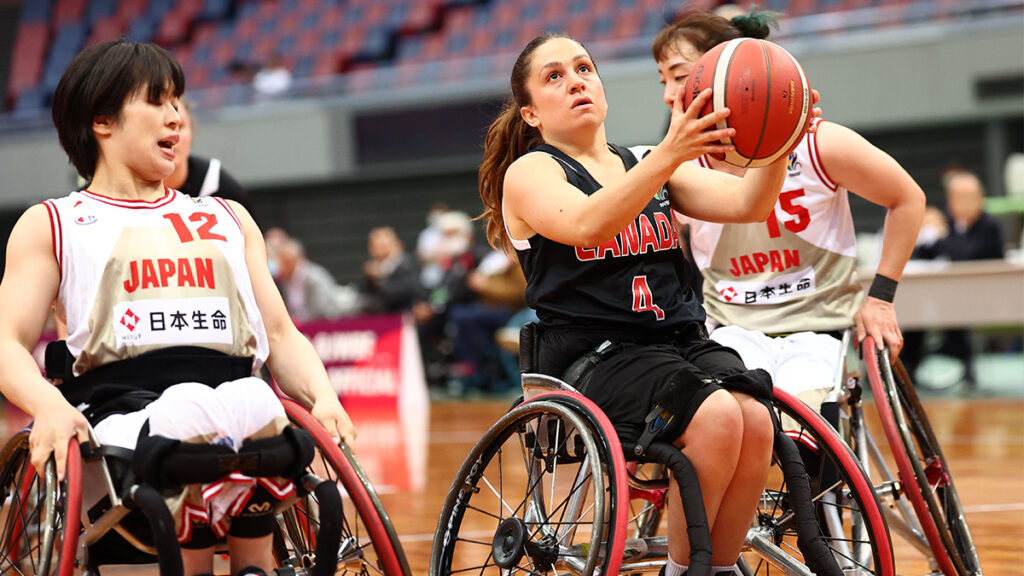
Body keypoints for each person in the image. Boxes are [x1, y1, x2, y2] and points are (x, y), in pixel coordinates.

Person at [0, 41, 354, 576]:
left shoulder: (228, 216)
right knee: (191, 406)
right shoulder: (54, 222)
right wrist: (46, 407)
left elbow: (280, 336)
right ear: (102, 120)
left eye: (179, 102)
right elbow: (5, 340)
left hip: (236, 405)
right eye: (158, 101)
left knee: (256, 400)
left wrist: (323, 396)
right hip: (119, 418)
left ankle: (251, 564)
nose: (177, 117)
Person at [479, 32, 816, 575]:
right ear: (532, 114)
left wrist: (779, 143)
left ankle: (717, 566)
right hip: (596, 358)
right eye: (554, 77)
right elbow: (587, 225)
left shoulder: (640, 159)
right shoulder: (532, 173)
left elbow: (750, 204)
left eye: (584, 68)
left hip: (678, 344)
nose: (576, 82)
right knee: (718, 418)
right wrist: (671, 154)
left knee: (754, 416)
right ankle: (685, 569)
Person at [652, 8, 925, 416]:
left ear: (725, 74)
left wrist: (881, 298)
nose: (669, 95)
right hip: (732, 330)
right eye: (663, 81)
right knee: (720, 428)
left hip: (820, 323)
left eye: (678, 76)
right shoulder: (675, 166)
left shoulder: (819, 144)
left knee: (801, 437)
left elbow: (907, 198)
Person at [904, 168, 1004, 385]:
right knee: (913, 309)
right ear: (951, 200)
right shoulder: (943, 219)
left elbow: (967, 255)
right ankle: (909, 366)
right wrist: (928, 233)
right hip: (938, 297)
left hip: (982, 296)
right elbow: (919, 255)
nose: (967, 203)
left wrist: (940, 238)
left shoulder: (989, 225)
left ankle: (964, 364)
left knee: (955, 306)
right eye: (961, 198)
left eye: (972, 197)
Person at [164, 96, 252, 211]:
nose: (173, 137)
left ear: (192, 131)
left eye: (179, 126)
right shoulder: (133, 189)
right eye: (165, 126)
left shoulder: (223, 189)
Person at [273, 236, 360, 323]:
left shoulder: (314, 277)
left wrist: (299, 322)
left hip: (326, 324)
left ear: (291, 261)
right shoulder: (284, 281)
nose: (280, 266)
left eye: (283, 261)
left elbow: (319, 310)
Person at [361, 225, 421, 313]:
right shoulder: (374, 267)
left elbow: (398, 296)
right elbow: (366, 296)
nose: (376, 250)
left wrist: (378, 278)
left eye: (381, 246)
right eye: (373, 246)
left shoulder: (406, 265)